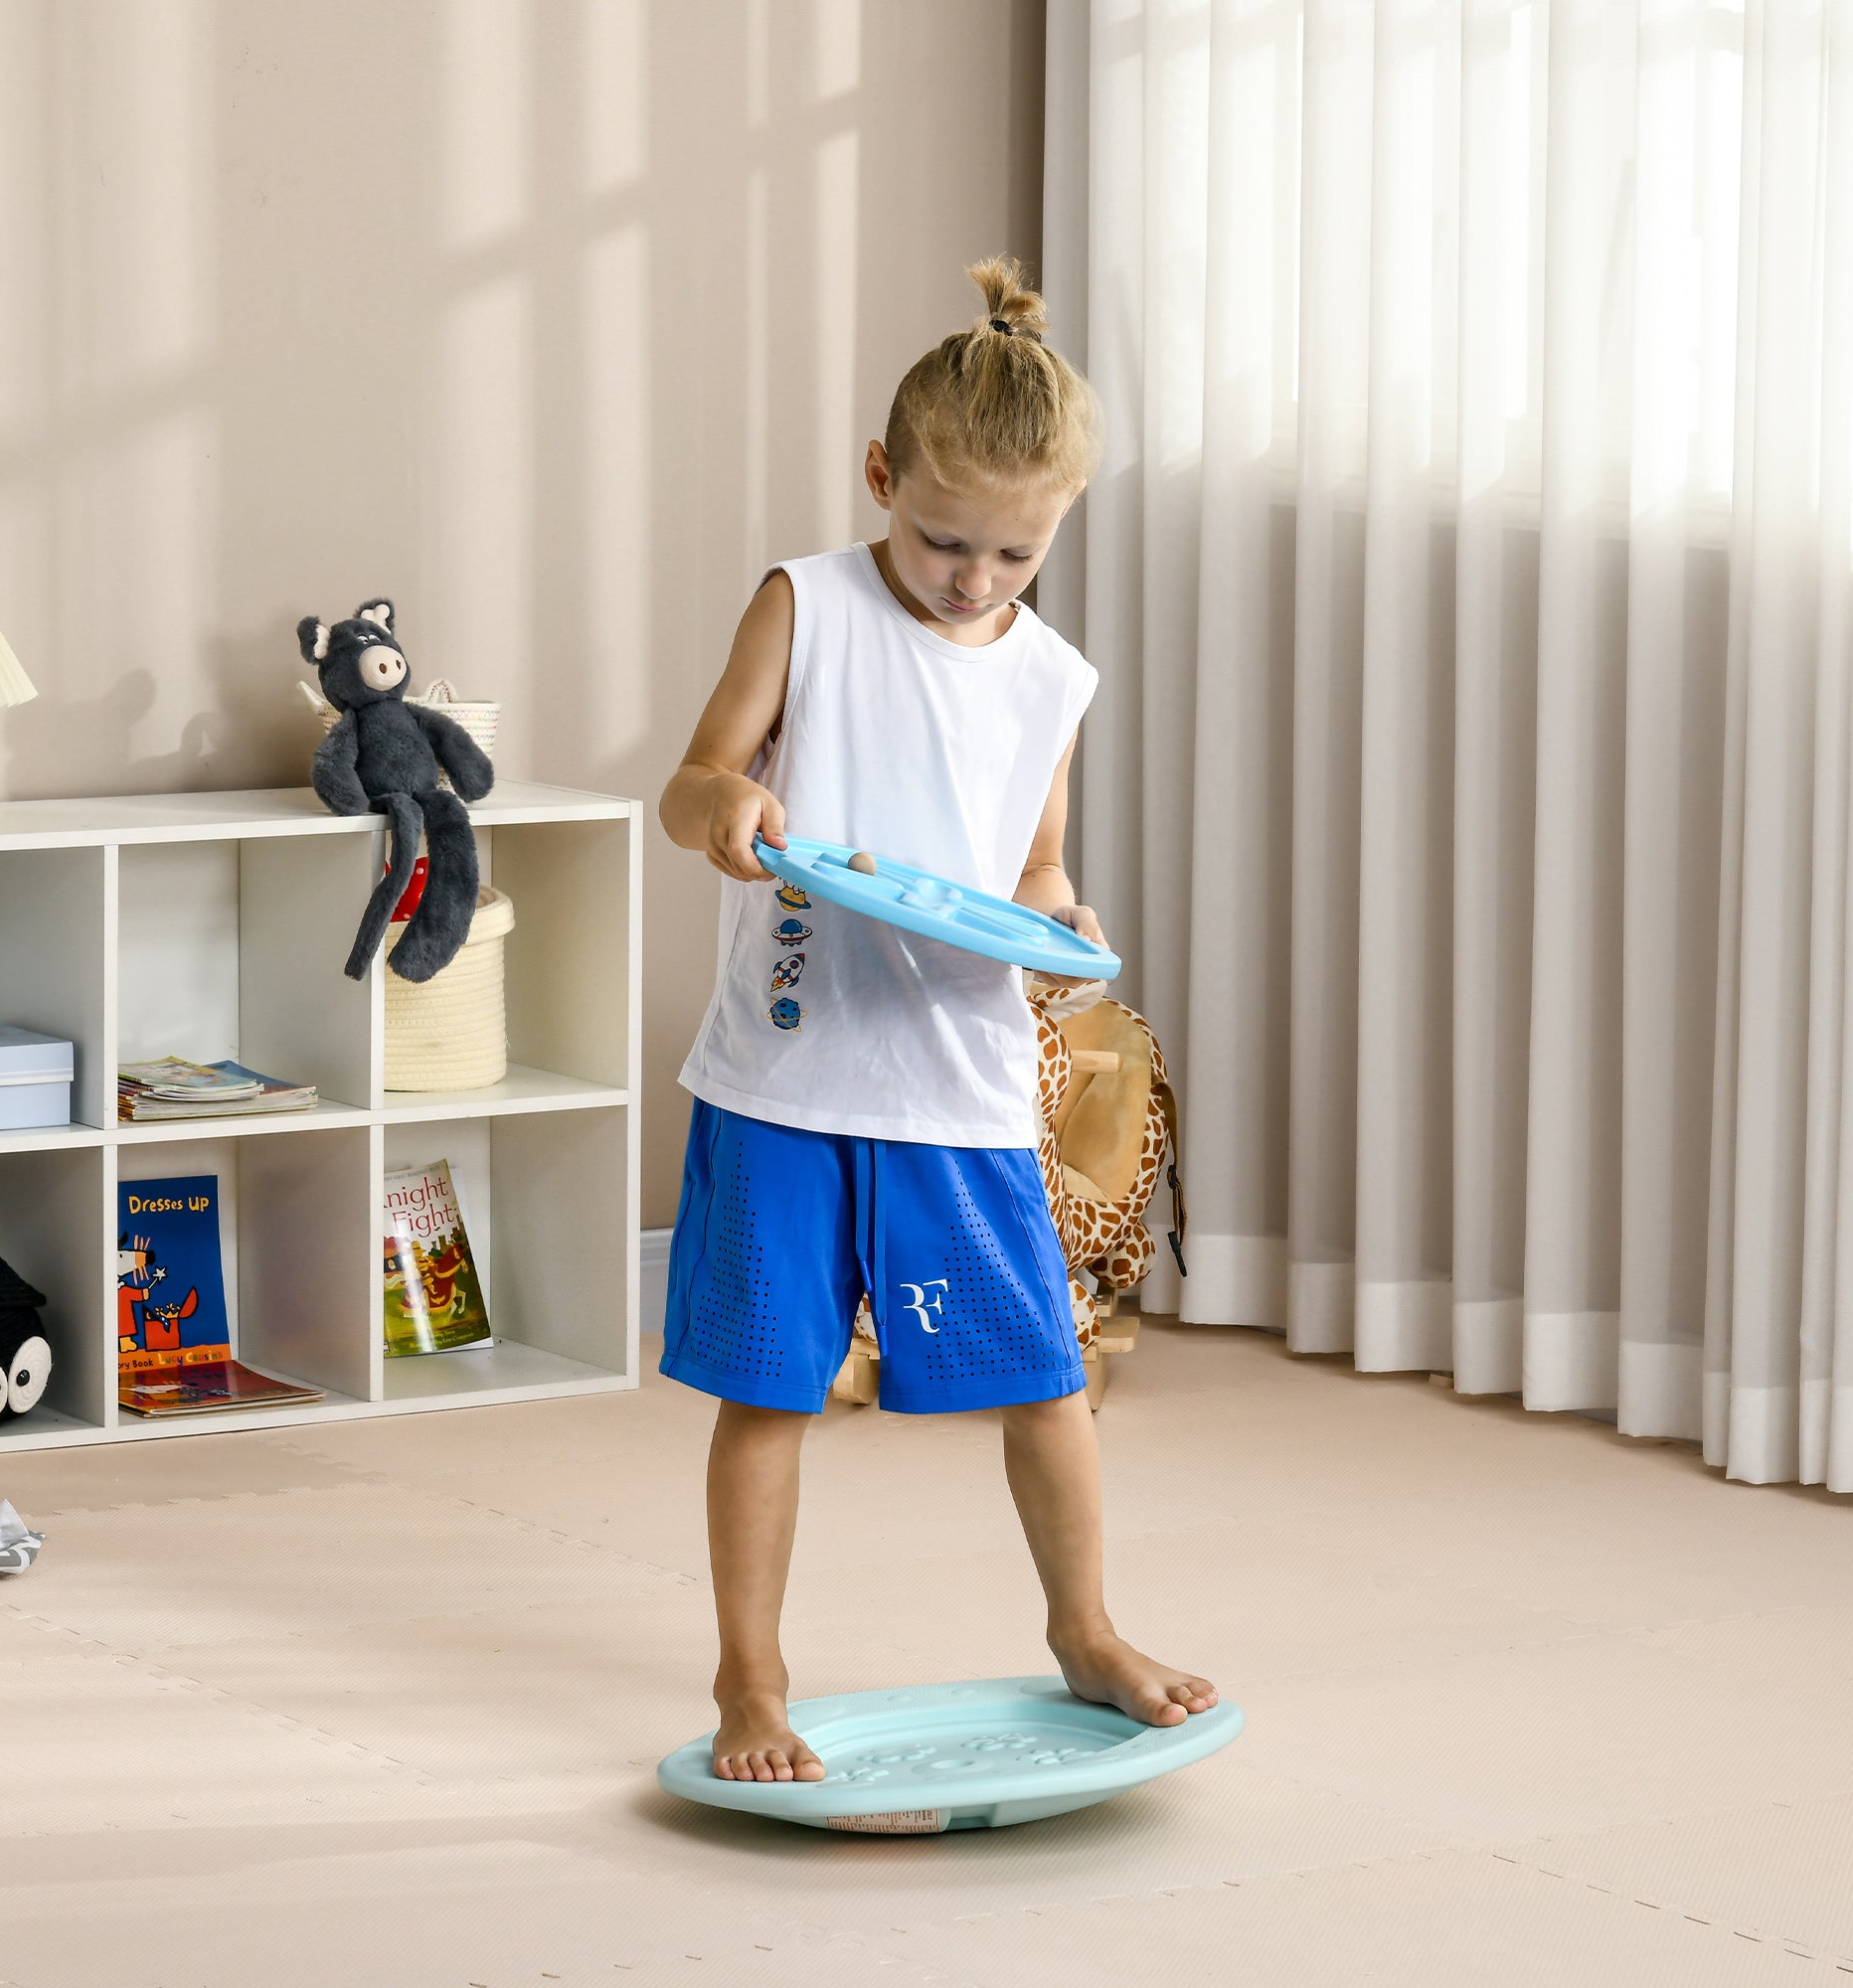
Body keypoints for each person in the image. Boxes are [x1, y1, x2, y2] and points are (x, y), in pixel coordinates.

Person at [658, 257, 1217, 1783]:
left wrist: (1064, 921)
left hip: (957, 1080)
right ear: (880, 478)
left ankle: (1085, 1629)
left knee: (1041, 1379)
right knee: (769, 1392)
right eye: (943, 538)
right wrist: (736, 807)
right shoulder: (811, 603)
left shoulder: (1050, 677)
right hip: (786, 1071)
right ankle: (751, 1680)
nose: (974, 578)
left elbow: (1029, 862)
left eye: (1014, 553)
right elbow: (691, 781)